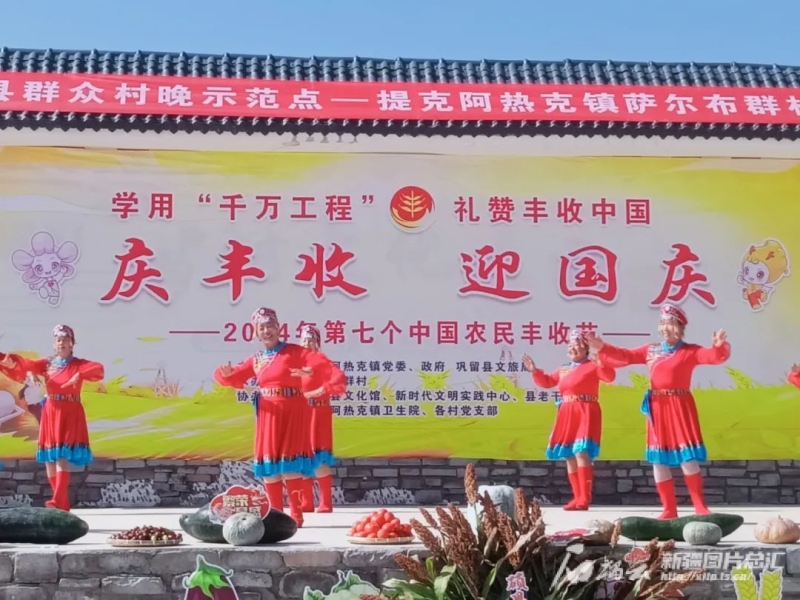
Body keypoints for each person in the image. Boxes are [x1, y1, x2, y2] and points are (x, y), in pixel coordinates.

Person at [585, 304, 730, 520]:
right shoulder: (650, 350)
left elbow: (711, 356)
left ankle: (700, 506)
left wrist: (718, 347)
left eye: (671, 324)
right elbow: (625, 356)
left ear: (681, 328)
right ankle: (669, 509)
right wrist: (602, 347)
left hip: (679, 406)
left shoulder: (689, 351)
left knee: (687, 457)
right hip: (657, 407)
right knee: (658, 460)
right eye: (663, 323)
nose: (666, 328)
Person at [213, 307, 317, 527]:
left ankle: (296, 515)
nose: (267, 331)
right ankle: (276, 515)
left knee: (290, 465)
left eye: (270, 326)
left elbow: (318, 367)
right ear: (256, 333)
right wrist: (226, 373)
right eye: (262, 328)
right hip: (268, 413)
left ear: (278, 328)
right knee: (270, 464)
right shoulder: (257, 359)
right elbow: (234, 377)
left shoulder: (294, 351)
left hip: (292, 411)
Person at [0, 325, 104, 511]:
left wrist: (80, 374)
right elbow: (26, 364)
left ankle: (57, 499)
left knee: (62, 455)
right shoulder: (47, 364)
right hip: (51, 411)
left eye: (65, 340)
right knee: (50, 457)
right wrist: (10, 362)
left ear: (72, 344)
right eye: (58, 340)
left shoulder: (78, 364)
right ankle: (62, 504)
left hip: (70, 411)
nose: (62, 343)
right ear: (54, 344)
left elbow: (98, 369)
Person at [522, 330, 616, 511]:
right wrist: (534, 371)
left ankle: (585, 498)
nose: (572, 349)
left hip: (585, 410)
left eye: (577, 345)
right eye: (570, 345)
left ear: (586, 348)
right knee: (569, 454)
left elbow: (609, 376)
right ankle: (577, 497)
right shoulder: (564, 369)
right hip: (567, 412)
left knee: (581, 451)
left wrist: (601, 362)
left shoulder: (593, 365)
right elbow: (548, 381)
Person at [297, 325, 347, 513]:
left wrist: (321, 390)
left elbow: (339, 378)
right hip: (300, 414)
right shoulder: (295, 364)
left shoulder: (323, 362)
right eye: (304, 340)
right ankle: (306, 502)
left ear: (317, 343)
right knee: (301, 458)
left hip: (318, 413)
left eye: (311, 340)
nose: (307, 344)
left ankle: (325, 502)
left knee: (319, 457)